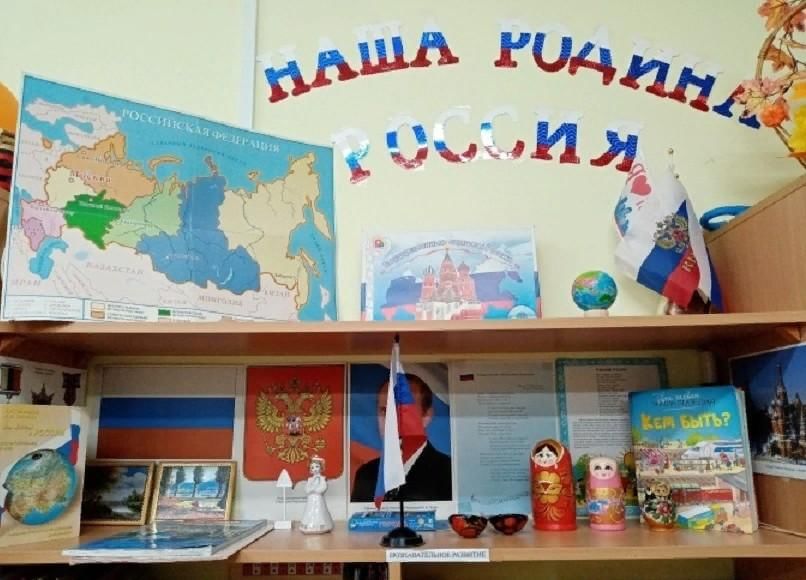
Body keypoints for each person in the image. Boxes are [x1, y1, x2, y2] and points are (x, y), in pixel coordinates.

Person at [350, 373, 452, 503]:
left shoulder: (448, 473)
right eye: (385, 411)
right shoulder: (366, 475)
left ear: (427, 416)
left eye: (403, 412)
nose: (392, 422)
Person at [299, 455, 333, 534]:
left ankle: (322, 526)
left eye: (317, 466)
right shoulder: (310, 479)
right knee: (309, 510)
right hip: (311, 499)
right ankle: (308, 525)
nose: (315, 469)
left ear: (321, 467)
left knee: (320, 510)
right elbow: (307, 489)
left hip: (318, 498)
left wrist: (316, 490)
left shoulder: (322, 478)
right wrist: (311, 489)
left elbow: (323, 487)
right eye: (312, 467)